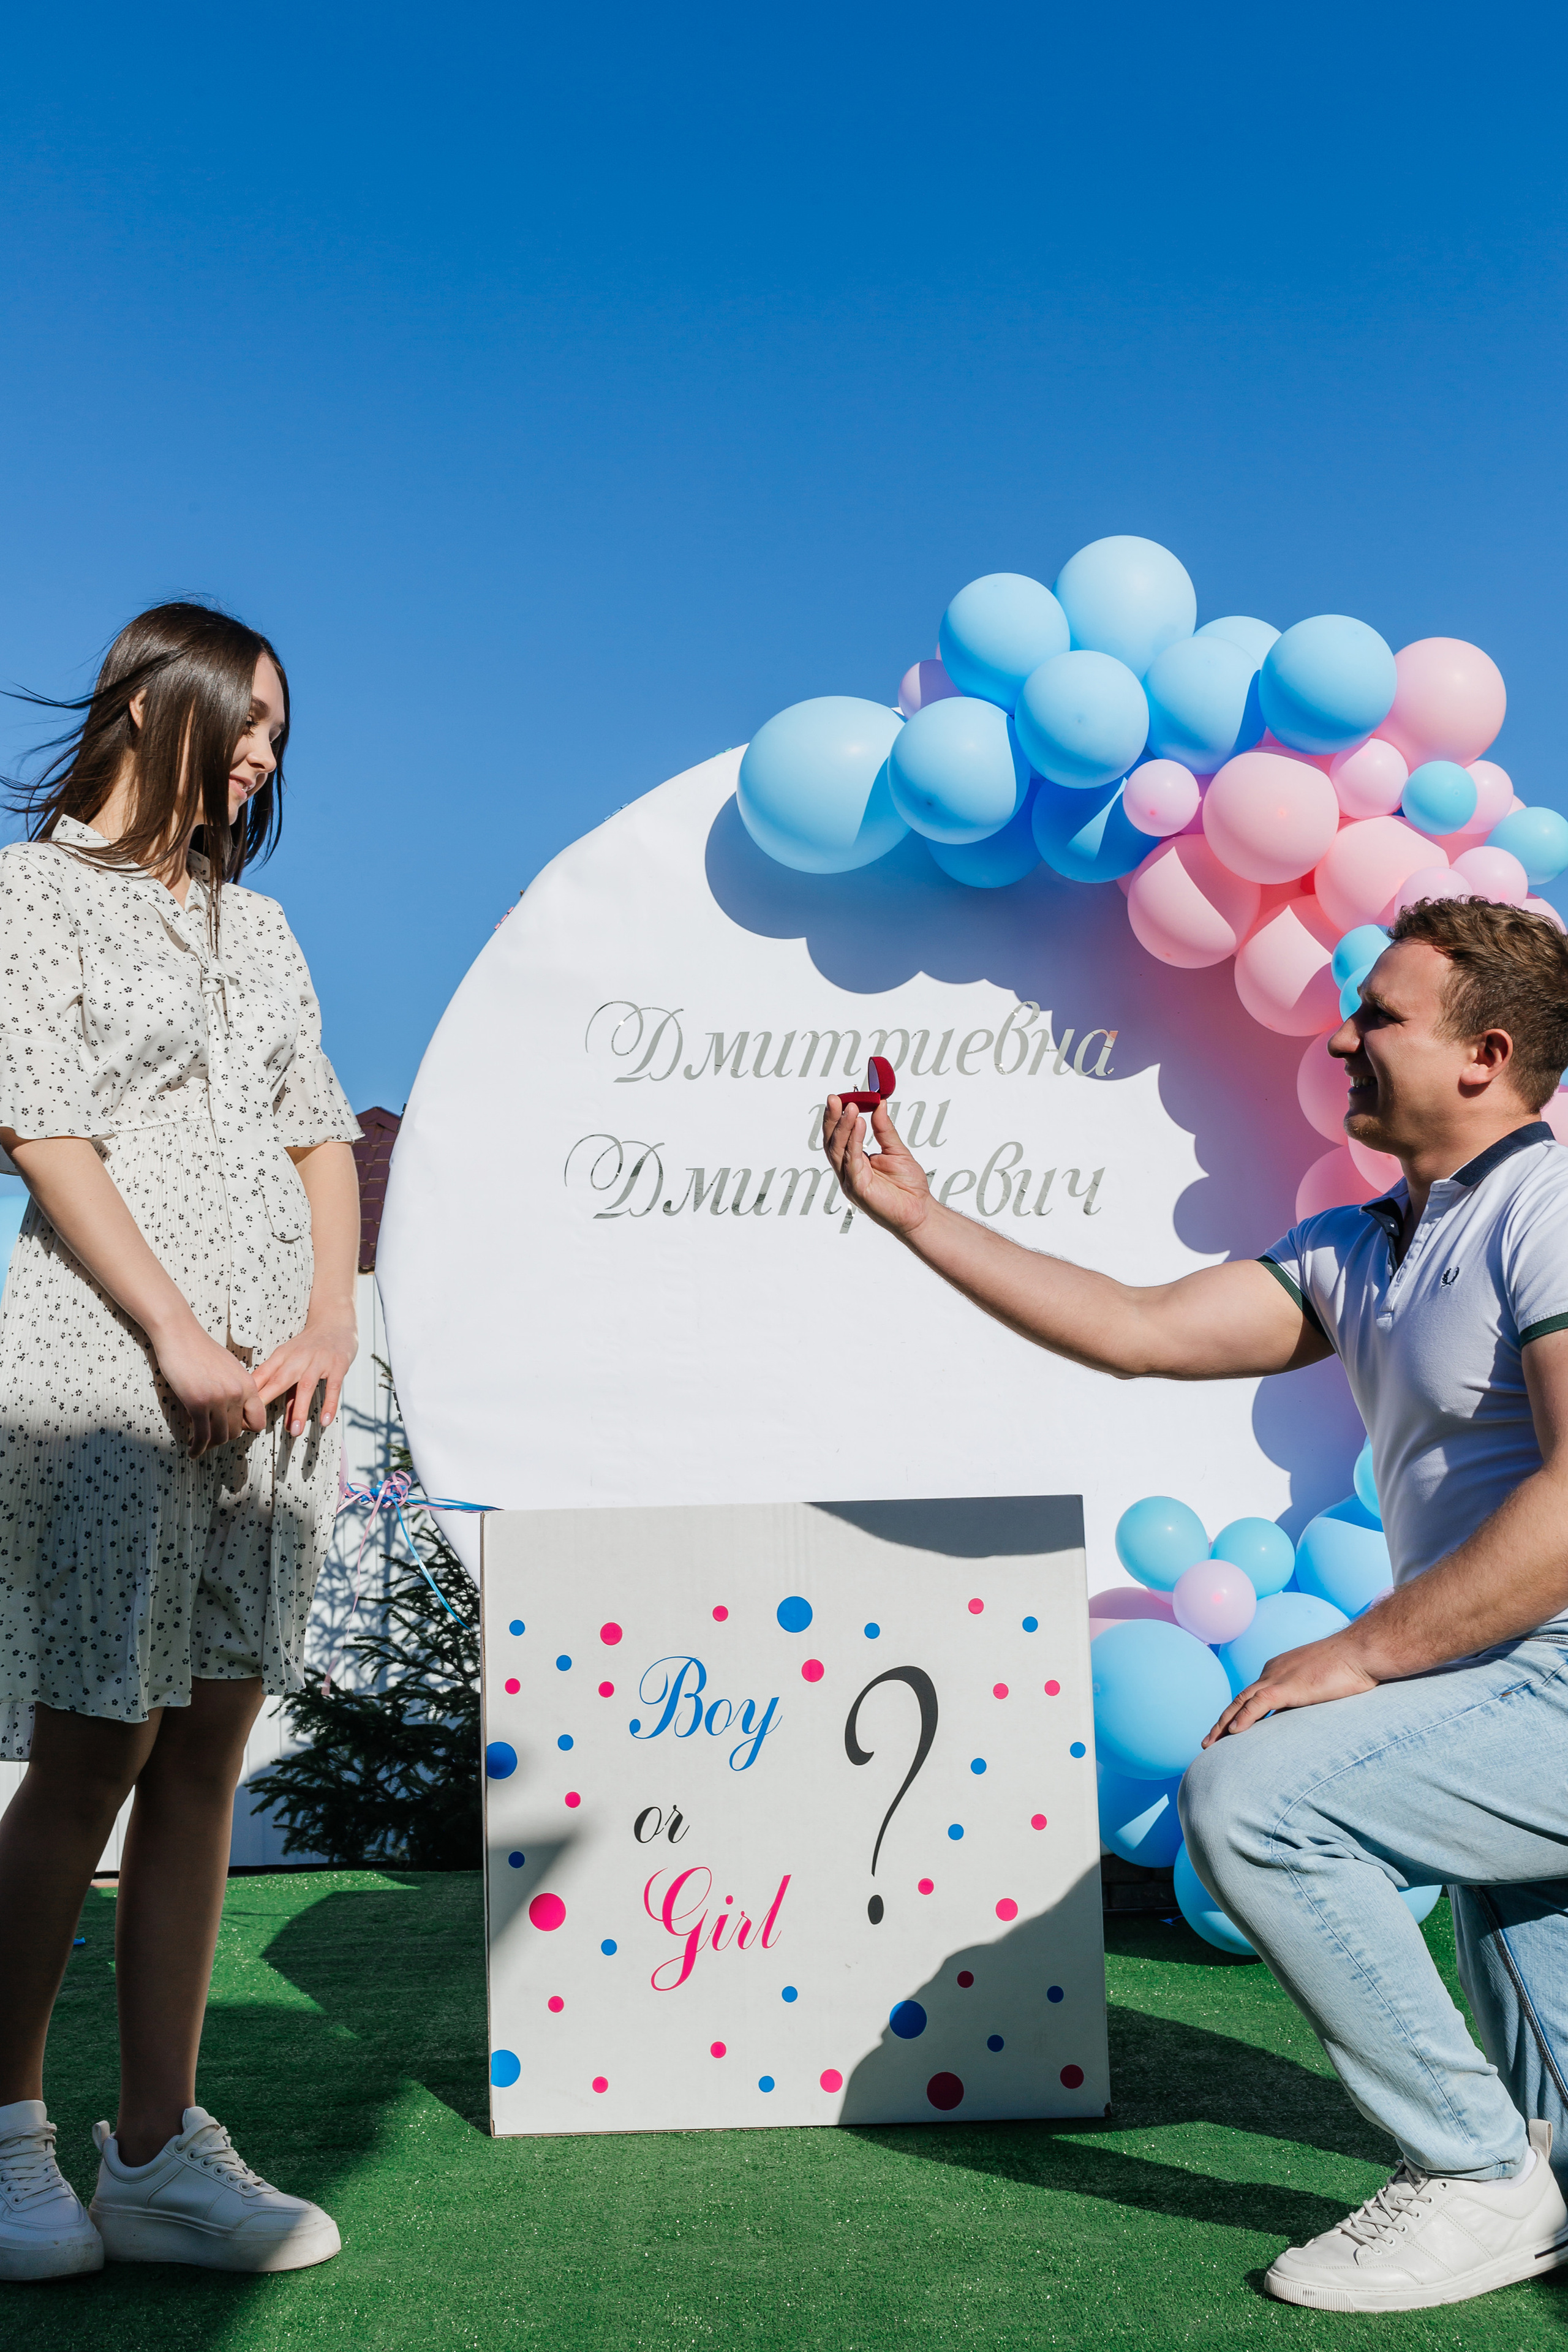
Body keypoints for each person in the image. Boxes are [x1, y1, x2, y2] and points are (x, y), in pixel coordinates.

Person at [821, 894, 1568, 2315]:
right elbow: (1138, 1329)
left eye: (1381, 1016)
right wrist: (919, 1217)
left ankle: (1469, 2175)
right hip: (1500, 1688)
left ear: (1484, 1053)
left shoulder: (1548, 1210)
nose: (1343, 1034)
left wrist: (1357, 1656)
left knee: (1254, 1796)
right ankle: (1522, 2173)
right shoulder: (1372, 1246)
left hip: (1547, 1677)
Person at [0, 604, 362, 2283]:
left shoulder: (262, 927)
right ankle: (4, 2134)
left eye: (283, 733)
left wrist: (329, 1327)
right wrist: (171, 1331)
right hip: (105, 1365)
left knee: (210, 1746)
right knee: (94, 1744)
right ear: (165, 705)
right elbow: (46, 1132)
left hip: (274, 1389)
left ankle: (154, 2150)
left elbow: (319, 1131)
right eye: (255, 721)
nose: (269, 757)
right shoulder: (25, 895)